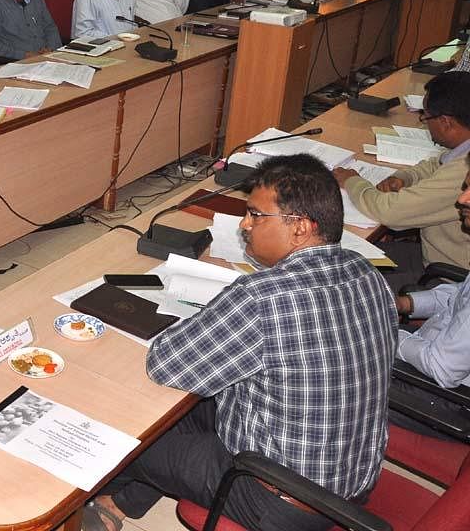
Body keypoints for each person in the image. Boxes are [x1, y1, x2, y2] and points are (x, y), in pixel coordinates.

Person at [85, 155, 395, 531]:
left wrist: (211, 317)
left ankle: (84, 504)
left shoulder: (261, 297)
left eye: (255, 215)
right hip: (351, 483)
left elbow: (164, 363)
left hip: (275, 497)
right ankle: (118, 504)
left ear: (299, 228)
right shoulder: (366, 272)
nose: (245, 225)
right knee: (187, 410)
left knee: (117, 432)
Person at [333, 72, 470, 288]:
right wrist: (403, 177)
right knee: (341, 257)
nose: (424, 124)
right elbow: (437, 164)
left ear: (446, 122)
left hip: (445, 279)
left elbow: (390, 212)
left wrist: (351, 181)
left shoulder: (463, 171)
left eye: (425, 117)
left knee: (342, 282)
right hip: (434, 254)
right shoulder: (463, 151)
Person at [390, 172, 470, 438]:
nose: (462, 199)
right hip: (431, 351)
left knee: (321, 365)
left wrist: (387, 335)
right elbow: (459, 296)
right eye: (467, 186)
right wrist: (405, 303)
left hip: (444, 398)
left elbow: (442, 369)